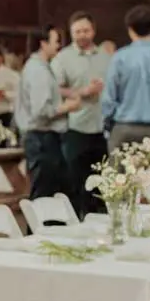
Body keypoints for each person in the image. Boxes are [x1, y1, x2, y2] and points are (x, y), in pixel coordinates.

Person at [51, 12, 110, 216]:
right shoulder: (62, 58)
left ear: (93, 31)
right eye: (77, 31)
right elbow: (54, 89)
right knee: (76, 182)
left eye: (85, 30)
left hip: (102, 127)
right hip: (75, 126)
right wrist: (82, 92)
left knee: (101, 182)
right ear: (71, 33)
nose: (82, 35)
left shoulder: (105, 57)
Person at [101, 5, 150, 151]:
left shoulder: (120, 58)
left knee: (118, 173)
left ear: (130, 28)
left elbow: (109, 98)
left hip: (124, 127)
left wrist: (108, 123)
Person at [15, 26, 81, 200]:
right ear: (43, 43)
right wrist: (69, 106)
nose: (59, 46)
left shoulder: (40, 67)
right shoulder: (38, 70)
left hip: (43, 137)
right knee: (44, 194)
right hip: (42, 138)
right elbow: (41, 110)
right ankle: (39, 228)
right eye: (56, 41)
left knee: (53, 192)